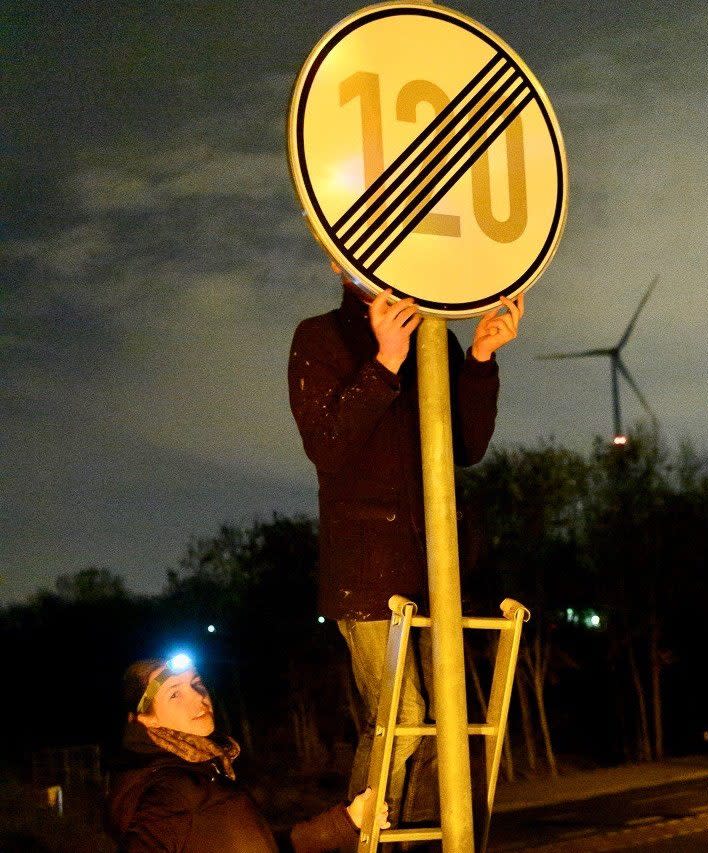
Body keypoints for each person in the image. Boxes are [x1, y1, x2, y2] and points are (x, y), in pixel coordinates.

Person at [288, 265, 524, 822]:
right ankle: (356, 839)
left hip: (437, 564)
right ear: (334, 257)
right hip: (366, 572)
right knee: (401, 715)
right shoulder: (319, 337)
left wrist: (481, 361)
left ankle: (423, 838)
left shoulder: (433, 335)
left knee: (447, 721)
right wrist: (385, 361)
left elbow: (465, 447)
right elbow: (328, 448)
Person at [106, 655, 389, 853]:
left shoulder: (206, 768)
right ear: (146, 720)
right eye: (174, 694)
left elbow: (265, 845)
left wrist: (349, 819)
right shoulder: (172, 787)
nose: (198, 697)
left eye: (197, 683)